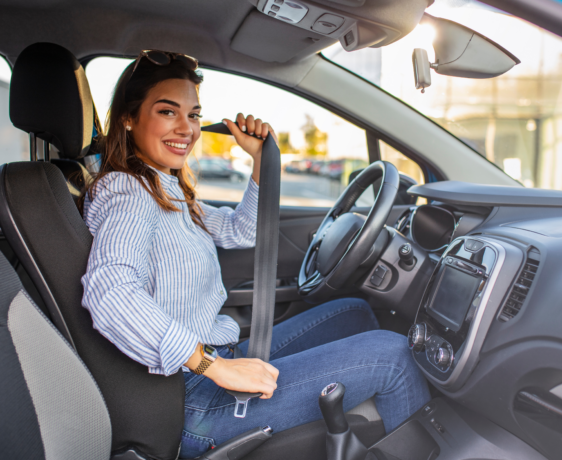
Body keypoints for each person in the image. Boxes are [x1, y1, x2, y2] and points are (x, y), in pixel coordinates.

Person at [80, 50, 430, 459]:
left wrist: (262, 159)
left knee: (353, 312)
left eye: (193, 115)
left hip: (214, 358)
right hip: (192, 398)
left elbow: (240, 230)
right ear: (128, 117)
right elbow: (110, 293)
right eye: (167, 112)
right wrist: (216, 368)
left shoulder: (165, 186)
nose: (187, 129)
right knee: (395, 357)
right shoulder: (126, 193)